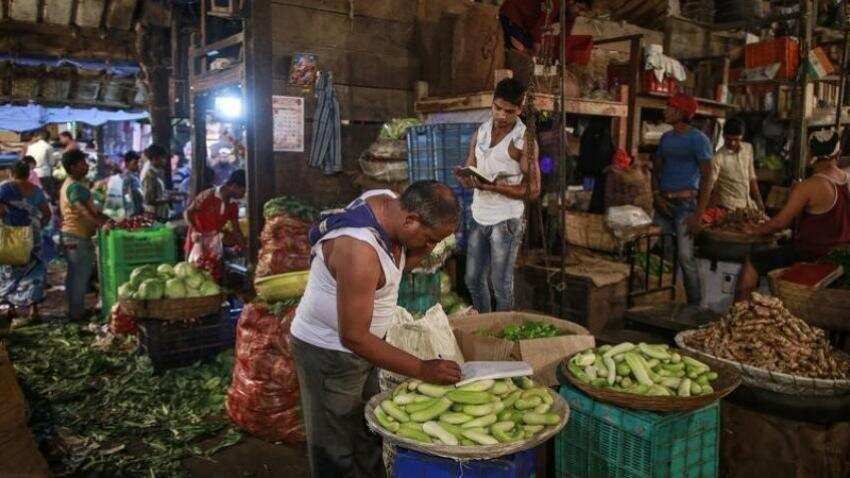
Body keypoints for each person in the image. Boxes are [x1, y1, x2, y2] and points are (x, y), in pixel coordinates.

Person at [290, 181, 462, 478]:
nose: (432, 246)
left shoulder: (387, 204)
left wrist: (423, 251)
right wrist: (421, 368)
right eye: (431, 238)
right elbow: (354, 336)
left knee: (368, 430)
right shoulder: (358, 250)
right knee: (335, 447)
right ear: (410, 220)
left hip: (366, 349)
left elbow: (393, 270)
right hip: (331, 354)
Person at [454, 78, 540, 313]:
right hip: (479, 216)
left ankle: (503, 334)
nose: (501, 115)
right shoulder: (481, 131)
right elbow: (470, 165)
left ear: (519, 110)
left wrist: (495, 188)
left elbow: (533, 189)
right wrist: (465, 177)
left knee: (500, 285)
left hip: (507, 221)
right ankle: (485, 323)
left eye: (509, 111)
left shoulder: (523, 141)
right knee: (472, 280)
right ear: (492, 103)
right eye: (497, 108)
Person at [737, 129, 850, 300]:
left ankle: (738, 317)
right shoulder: (847, 179)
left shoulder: (809, 186)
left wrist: (755, 230)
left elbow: (779, 224)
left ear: (810, 153)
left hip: (812, 254)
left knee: (752, 263)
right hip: (841, 255)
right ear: (838, 153)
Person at [653, 93, 713, 307]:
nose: (665, 110)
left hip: (686, 206)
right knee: (665, 257)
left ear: (681, 112)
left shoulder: (699, 139)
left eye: (670, 107)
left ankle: (694, 306)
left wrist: (699, 215)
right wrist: (657, 196)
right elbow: (656, 169)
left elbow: (708, 177)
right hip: (664, 205)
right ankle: (668, 301)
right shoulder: (666, 138)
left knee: (686, 257)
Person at [59, 150, 108, 321]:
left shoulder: (70, 183)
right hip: (76, 236)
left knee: (74, 275)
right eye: (83, 164)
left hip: (71, 235)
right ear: (73, 167)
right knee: (80, 275)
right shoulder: (74, 186)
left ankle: (74, 310)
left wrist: (104, 218)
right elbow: (81, 208)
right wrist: (100, 223)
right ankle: (77, 314)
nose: (86, 166)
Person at [0, 160, 52, 324]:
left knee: (9, 270)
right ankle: (33, 310)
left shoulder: (4, 189)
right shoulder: (36, 190)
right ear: (28, 174)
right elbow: (47, 213)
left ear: (11, 173)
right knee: (34, 271)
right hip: (32, 236)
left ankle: (11, 309)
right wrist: (37, 228)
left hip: (12, 236)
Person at [694, 118, 764, 218]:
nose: (732, 143)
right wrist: (700, 212)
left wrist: (759, 200)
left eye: (736, 140)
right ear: (723, 136)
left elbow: (752, 177)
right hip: (727, 209)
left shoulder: (748, 149)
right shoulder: (718, 158)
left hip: (747, 206)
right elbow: (708, 185)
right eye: (729, 139)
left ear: (742, 137)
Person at [184, 170, 246, 281]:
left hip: (214, 243)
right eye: (243, 190)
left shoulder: (232, 205)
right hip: (197, 239)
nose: (243, 195)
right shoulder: (208, 195)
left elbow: (236, 229)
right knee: (193, 274)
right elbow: (188, 213)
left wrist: (244, 248)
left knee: (212, 274)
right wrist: (194, 230)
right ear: (234, 186)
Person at [499, 0, 590, 57]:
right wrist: (536, 48)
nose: (580, 14)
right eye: (580, 8)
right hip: (514, 14)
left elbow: (565, 37)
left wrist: (562, 57)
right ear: (572, 1)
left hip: (527, 25)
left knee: (529, 51)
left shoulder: (571, 14)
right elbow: (541, 25)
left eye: (584, 12)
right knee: (520, 52)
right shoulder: (555, 2)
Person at [141, 144, 179, 221]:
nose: (165, 160)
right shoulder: (149, 176)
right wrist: (169, 200)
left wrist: (177, 193)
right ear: (155, 158)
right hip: (155, 217)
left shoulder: (157, 173)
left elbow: (159, 192)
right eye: (163, 158)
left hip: (161, 214)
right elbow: (149, 200)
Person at [25, 130, 54, 197]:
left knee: (34, 194)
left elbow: (27, 159)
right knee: (47, 194)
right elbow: (51, 163)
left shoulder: (30, 147)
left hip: (31, 173)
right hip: (44, 173)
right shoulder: (48, 147)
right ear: (48, 138)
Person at [122, 151, 144, 217]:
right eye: (135, 163)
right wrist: (131, 210)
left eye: (138, 162)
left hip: (138, 209)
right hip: (134, 212)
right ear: (127, 164)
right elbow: (126, 195)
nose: (138, 165)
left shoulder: (135, 176)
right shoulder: (127, 178)